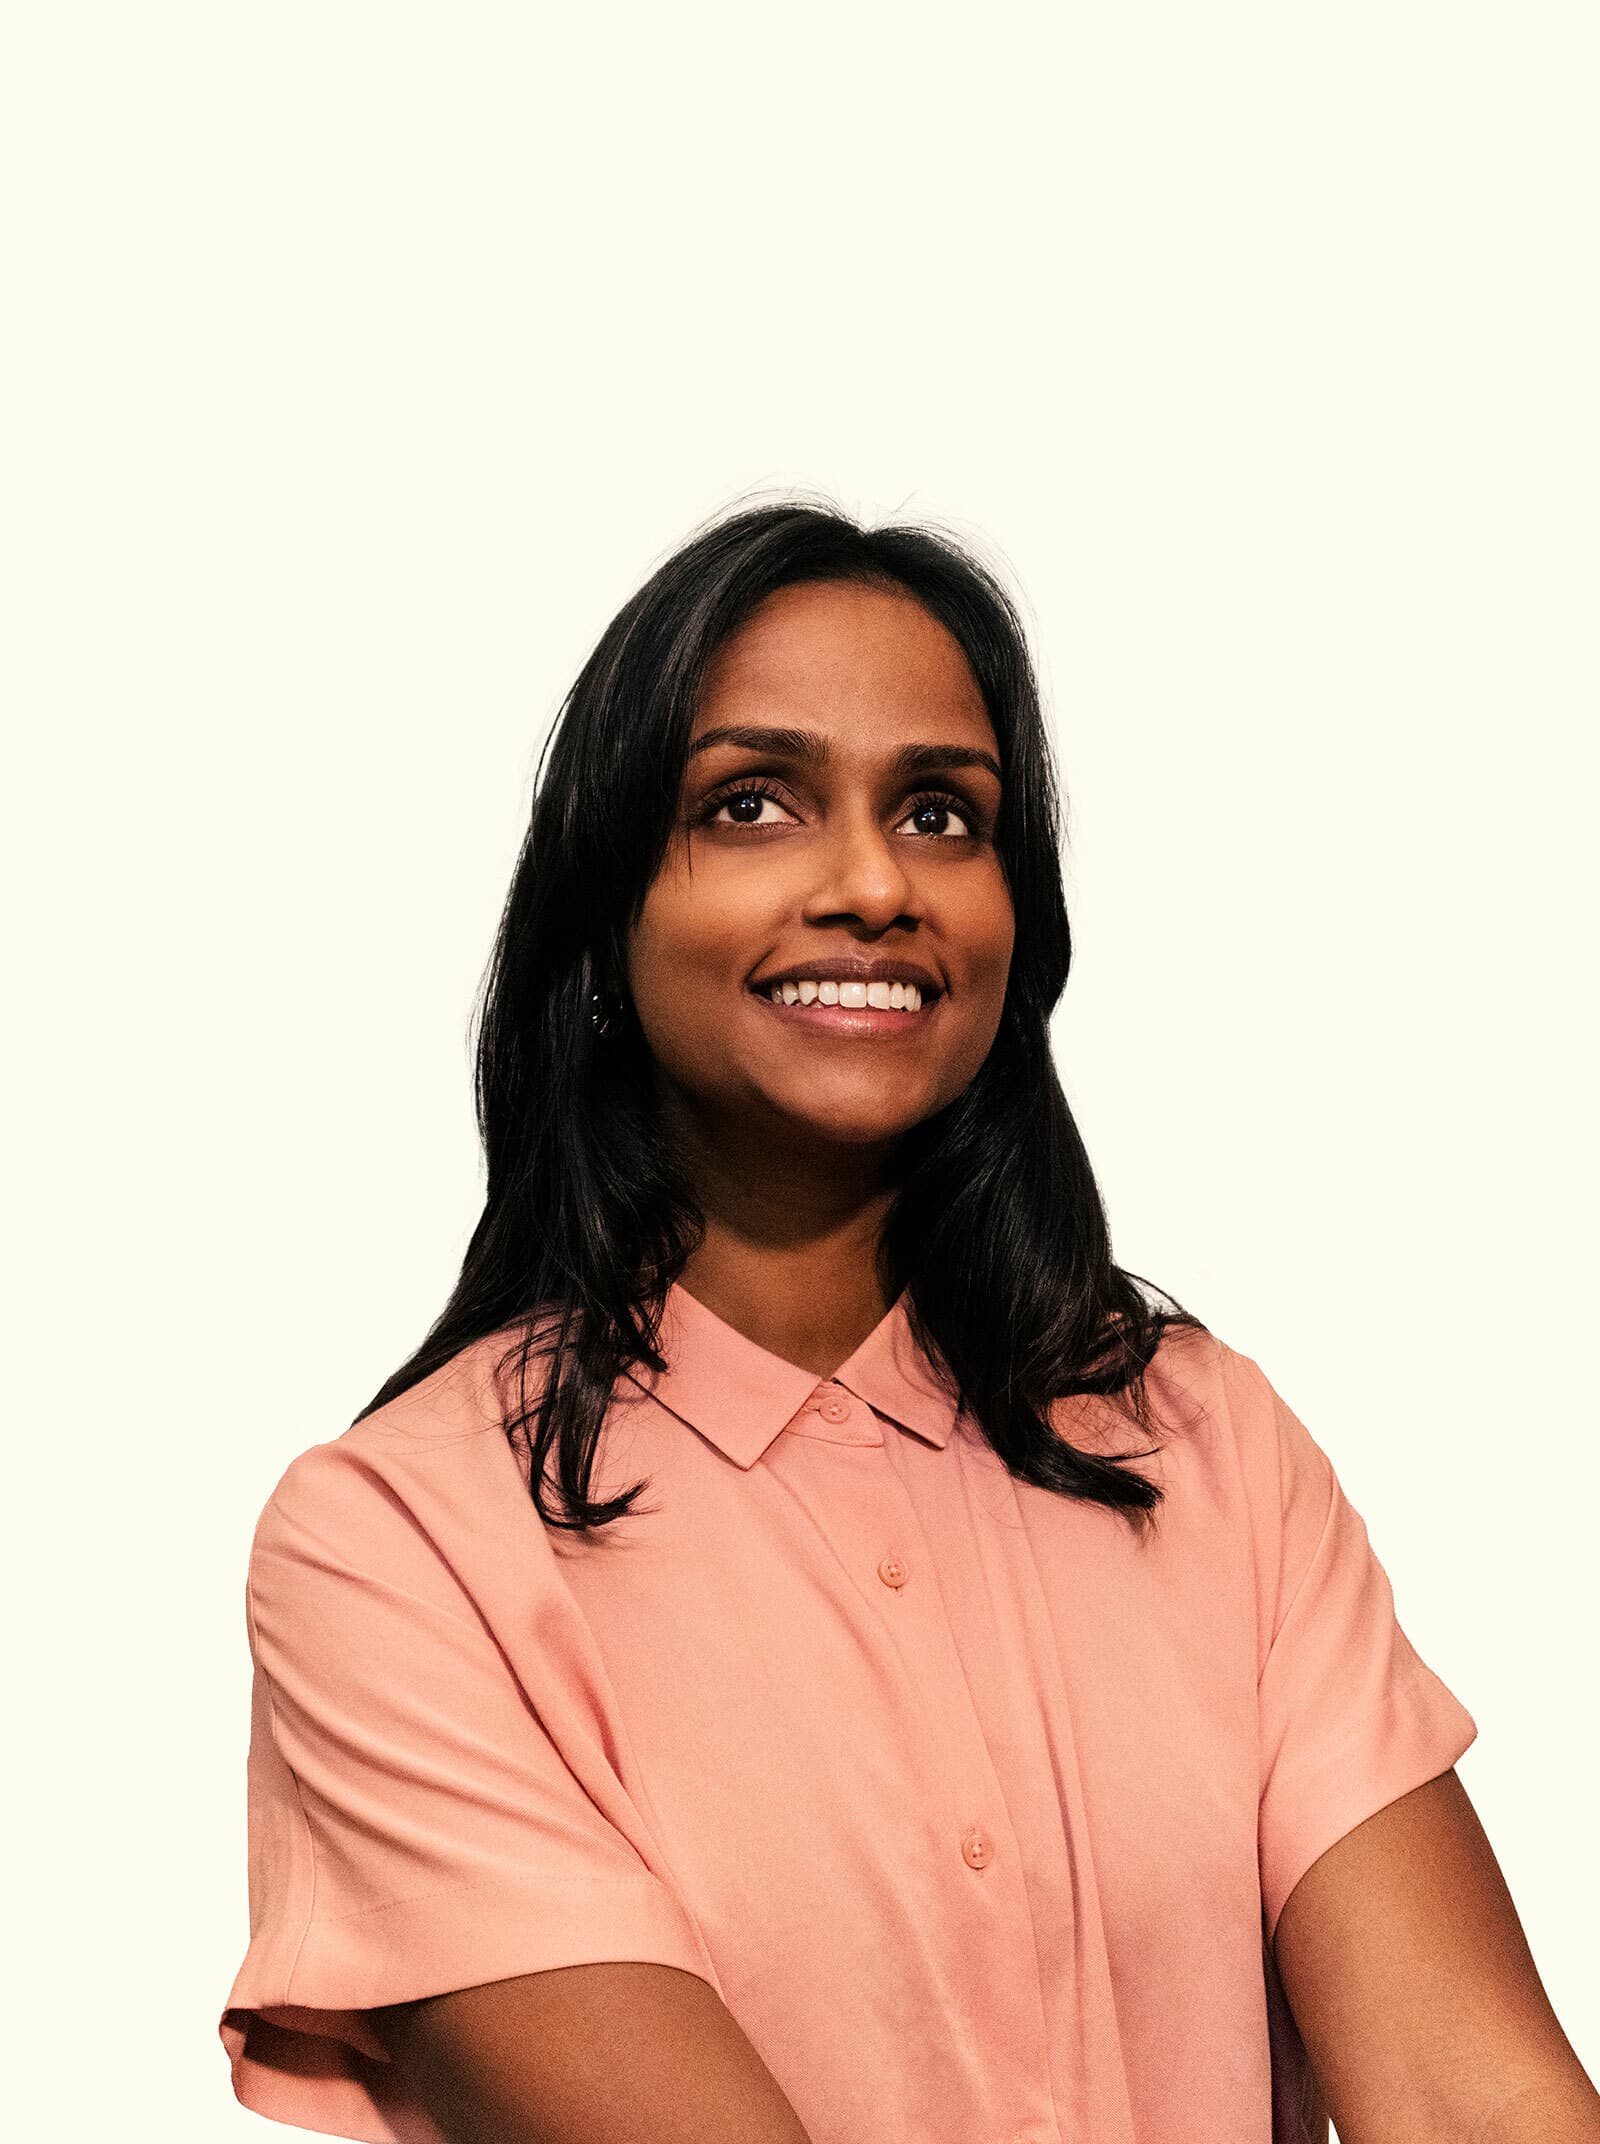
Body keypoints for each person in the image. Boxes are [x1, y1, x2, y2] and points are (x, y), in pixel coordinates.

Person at [218, 499, 1598, 2144]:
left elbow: (1479, 2104)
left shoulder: (1209, 1450)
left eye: (944, 813)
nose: (875, 882)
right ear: (607, 919)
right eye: (753, 805)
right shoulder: (401, 1549)